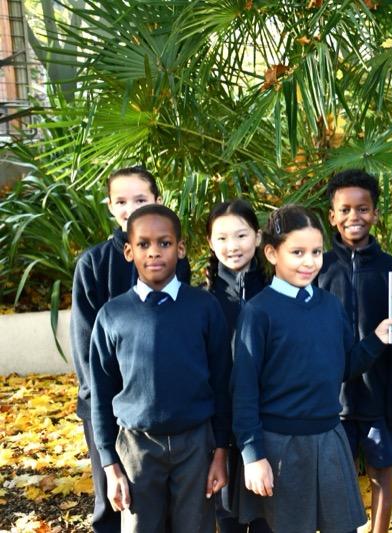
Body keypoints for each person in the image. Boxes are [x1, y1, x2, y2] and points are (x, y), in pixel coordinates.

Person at [230, 204, 392, 532]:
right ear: (271, 253)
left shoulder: (328, 306)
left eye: (316, 252)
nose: (309, 261)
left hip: (329, 439)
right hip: (279, 447)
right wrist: (252, 455)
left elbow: (345, 366)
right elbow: (244, 391)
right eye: (297, 252)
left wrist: (376, 340)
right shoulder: (258, 312)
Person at [89, 204, 232, 532]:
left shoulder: (204, 307)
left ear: (181, 248)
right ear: (128, 251)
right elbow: (102, 395)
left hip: (196, 444)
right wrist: (111, 466)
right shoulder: (112, 316)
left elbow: (222, 383)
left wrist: (220, 452)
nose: (154, 252)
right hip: (137, 448)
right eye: (143, 244)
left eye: (164, 243)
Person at [69, 165, 191, 533]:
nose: (130, 207)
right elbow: (84, 340)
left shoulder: (173, 259)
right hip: (107, 403)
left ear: (157, 200)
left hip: (159, 404)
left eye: (140, 199)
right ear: (109, 206)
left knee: (162, 498)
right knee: (114, 495)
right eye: (121, 201)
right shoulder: (93, 262)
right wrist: (101, 399)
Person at [315, 169, 392, 533]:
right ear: (332, 216)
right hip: (332, 402)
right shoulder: (319, 269)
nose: (353, 217)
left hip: (379, 400)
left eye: (362, 209)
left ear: (375, 214)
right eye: (345, 209)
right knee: (333, 480)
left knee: (380, 474)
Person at [203, 199, 271, 533]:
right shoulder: (201, 301)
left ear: (258, 238)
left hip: (270, 430)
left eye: (242, 235)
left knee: (267, 519)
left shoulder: (277, 293)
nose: (233, 246)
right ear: (210, 243)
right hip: (220, 434)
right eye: (222, 238)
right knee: (227, 519)